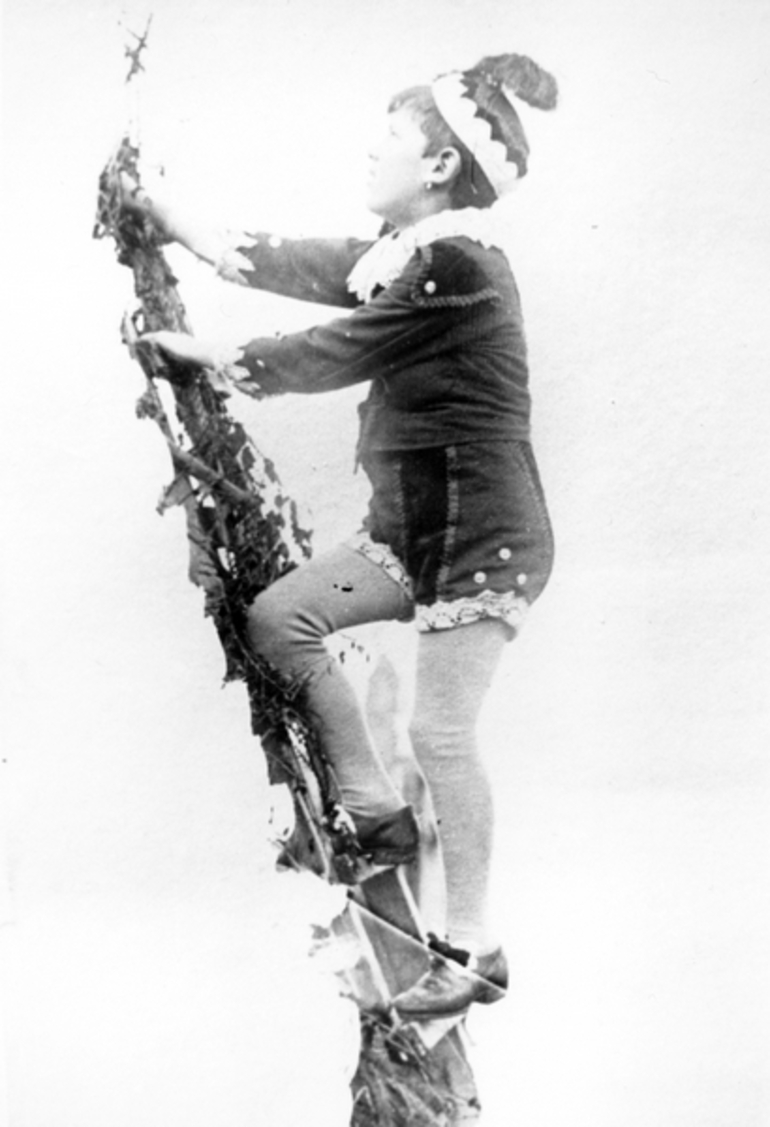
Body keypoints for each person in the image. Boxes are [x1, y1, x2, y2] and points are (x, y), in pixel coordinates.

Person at [127, 52, 557, 1019]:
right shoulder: (401, 256)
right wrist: (173, 225)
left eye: (393, 139)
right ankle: (379, 815)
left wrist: (205, 353)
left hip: (484, 538)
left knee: (442, 729)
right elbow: (299, 262)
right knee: (283, 619)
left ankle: (477, 947)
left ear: (441, 167)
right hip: (415, 533)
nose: (373, 151)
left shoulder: (459, 264)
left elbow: (335, 352)